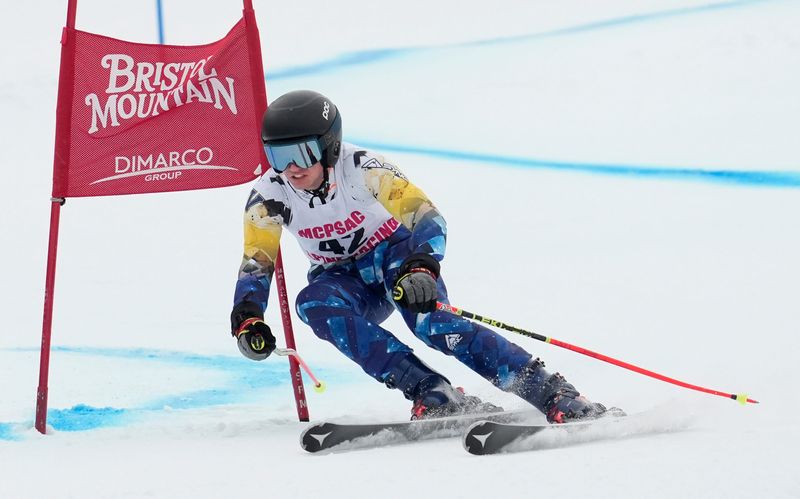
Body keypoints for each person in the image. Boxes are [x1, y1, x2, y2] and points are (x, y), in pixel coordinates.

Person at [230, 90, 611, 423]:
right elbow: (256, 262)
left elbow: (428, 217)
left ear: (328, 146)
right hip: (341, 278)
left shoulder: (363, 169)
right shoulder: (270, 197)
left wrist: (422, 267)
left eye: (301, 153)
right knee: (312, 303)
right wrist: (248, 317)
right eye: (278, 155)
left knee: (430, 324)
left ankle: (551, 391)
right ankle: (431, 390)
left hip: (396, 257)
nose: (291, 168)